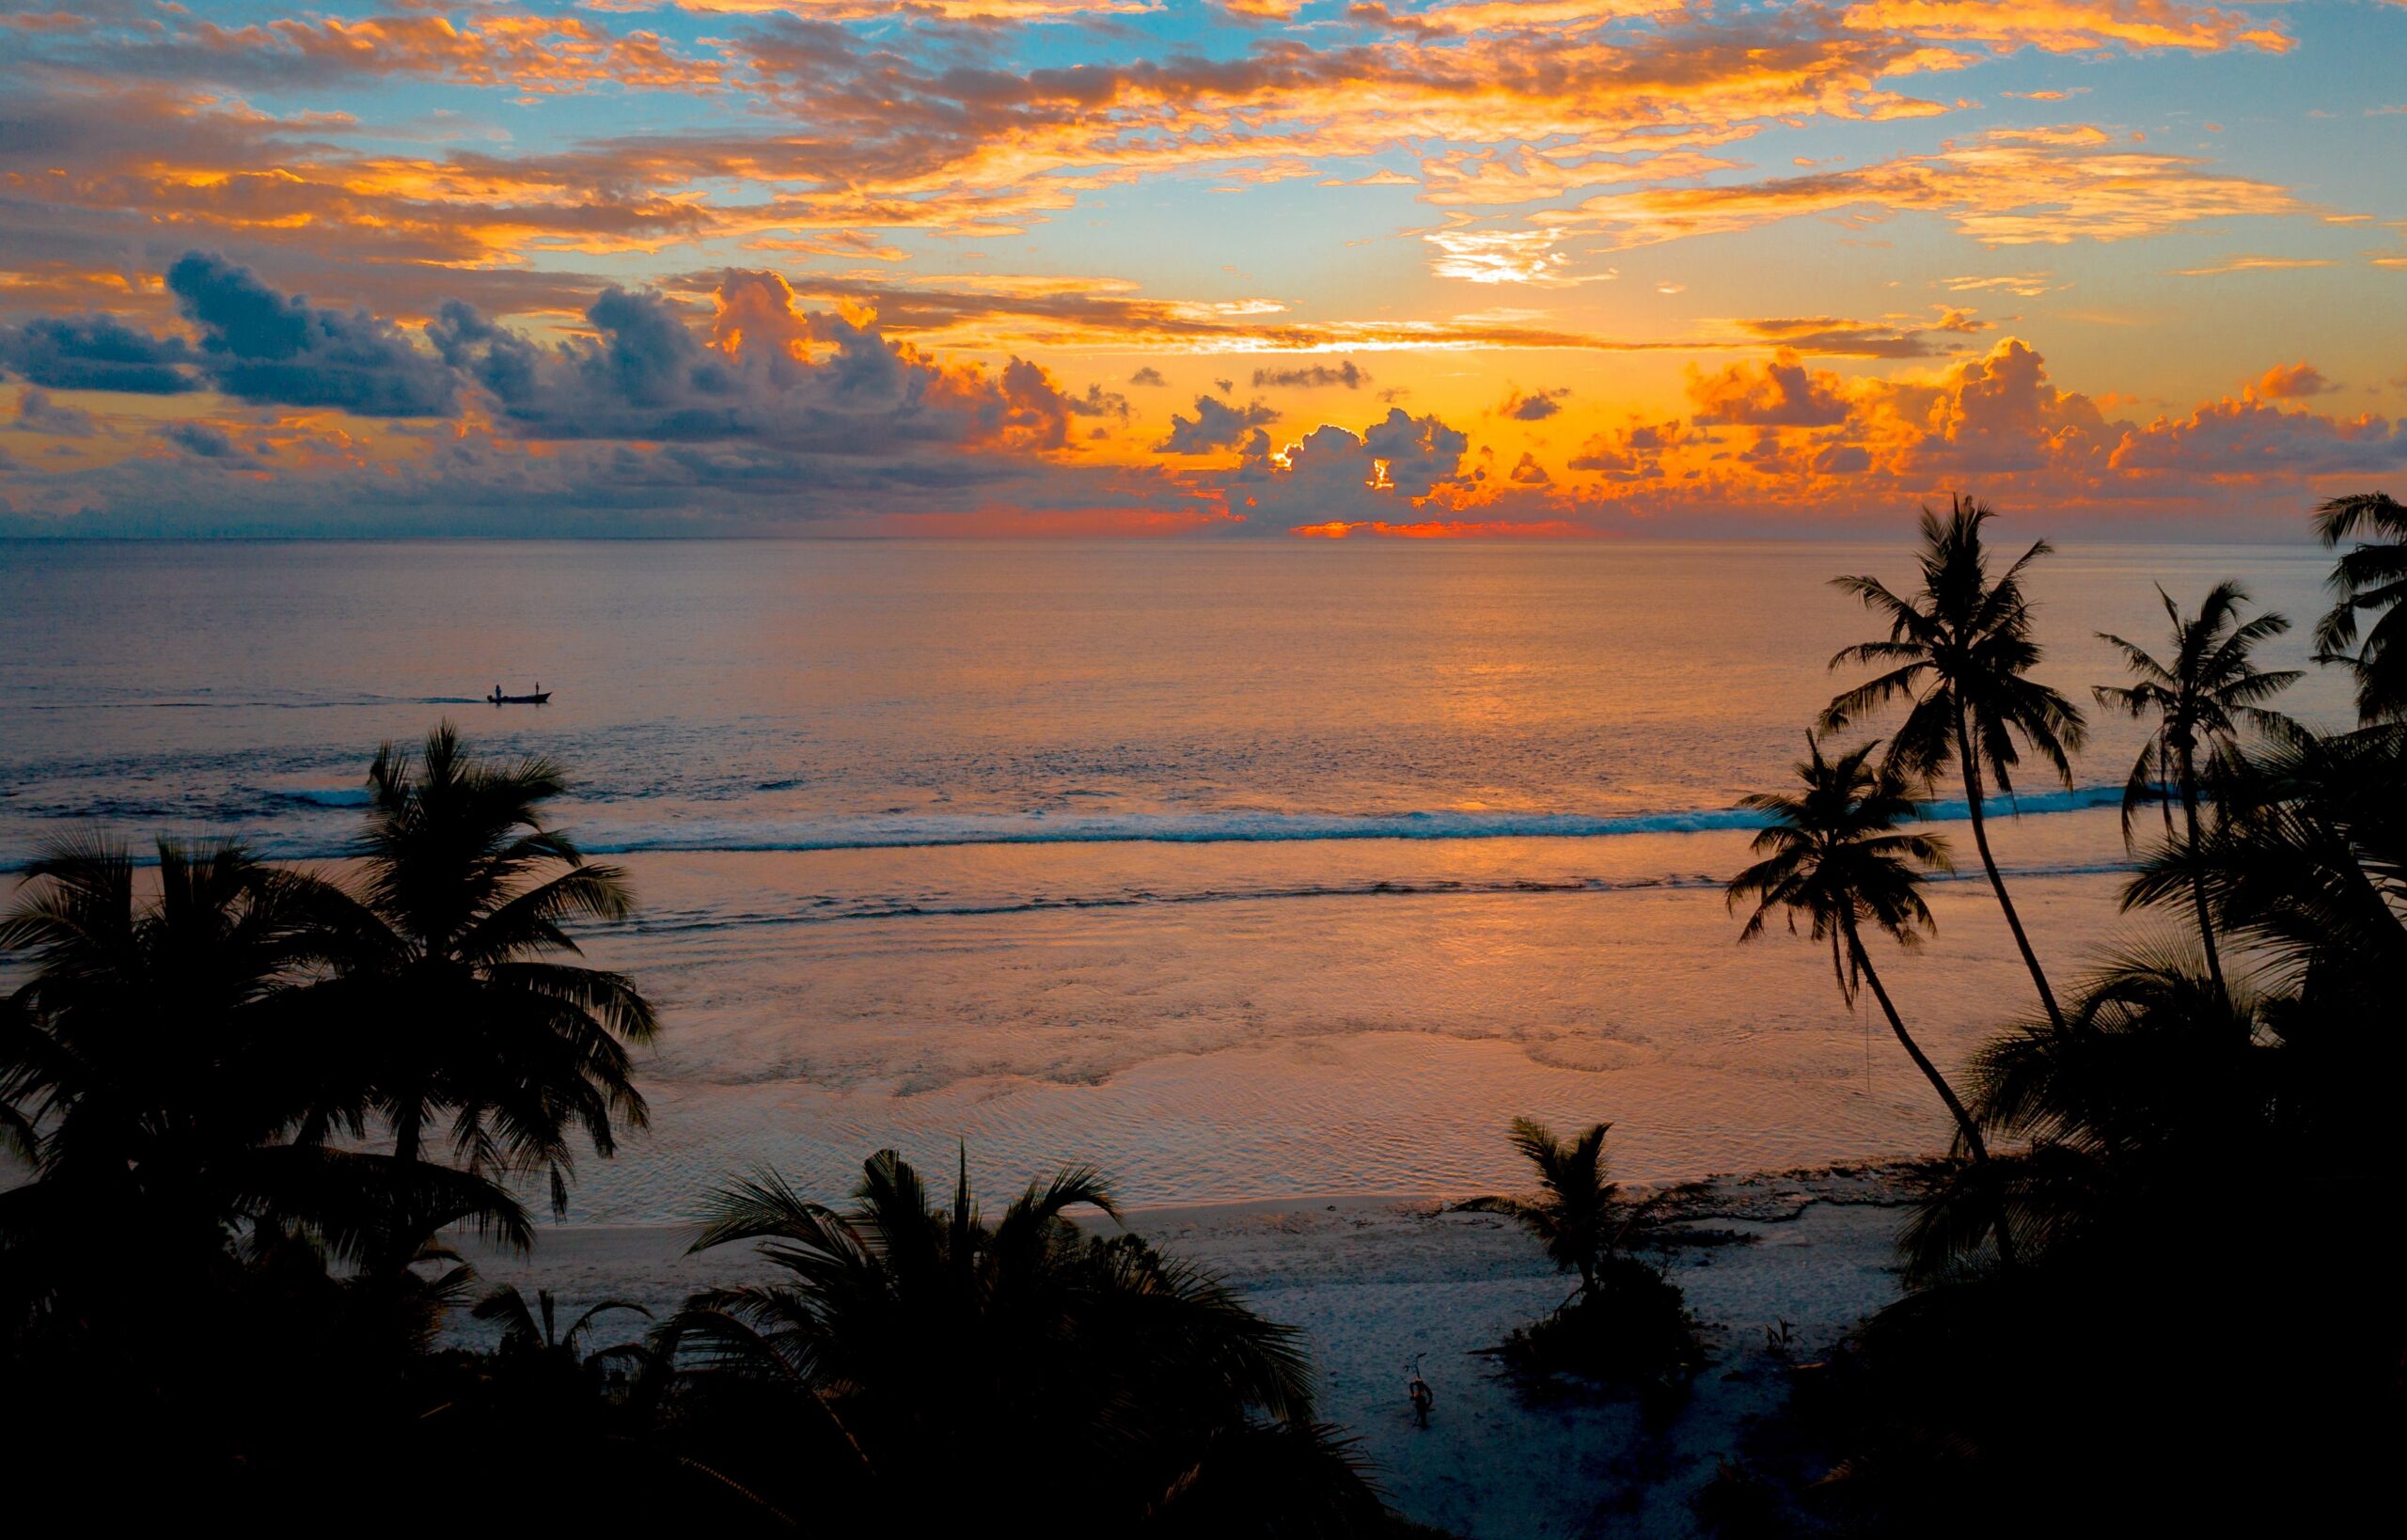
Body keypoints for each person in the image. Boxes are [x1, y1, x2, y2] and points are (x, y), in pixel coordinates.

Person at [1408, 1355, 1434, 1428]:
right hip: (1421, 1402)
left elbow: (1429, 1393)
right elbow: (1429, 1393)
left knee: (1422, 1413)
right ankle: (1423, 1424)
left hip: (1421, 1402)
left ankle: (1423, 1424)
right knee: (1422, 1413)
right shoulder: (1418, 1386)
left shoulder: (1417, 1386)